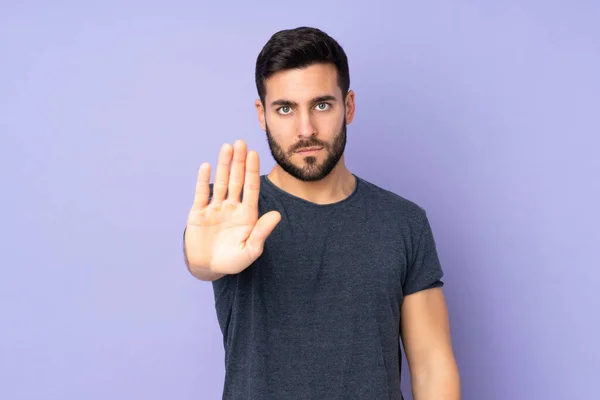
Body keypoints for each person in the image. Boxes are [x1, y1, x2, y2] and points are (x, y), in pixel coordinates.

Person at [183, 26, 460, 400]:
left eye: (322, 105)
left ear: (348, 107)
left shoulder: (403, 222)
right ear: (262, 114)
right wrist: (204, 263)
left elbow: (431, 365)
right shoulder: (231, 211)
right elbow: (204, 260)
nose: (306, 129)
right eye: (285, 108)